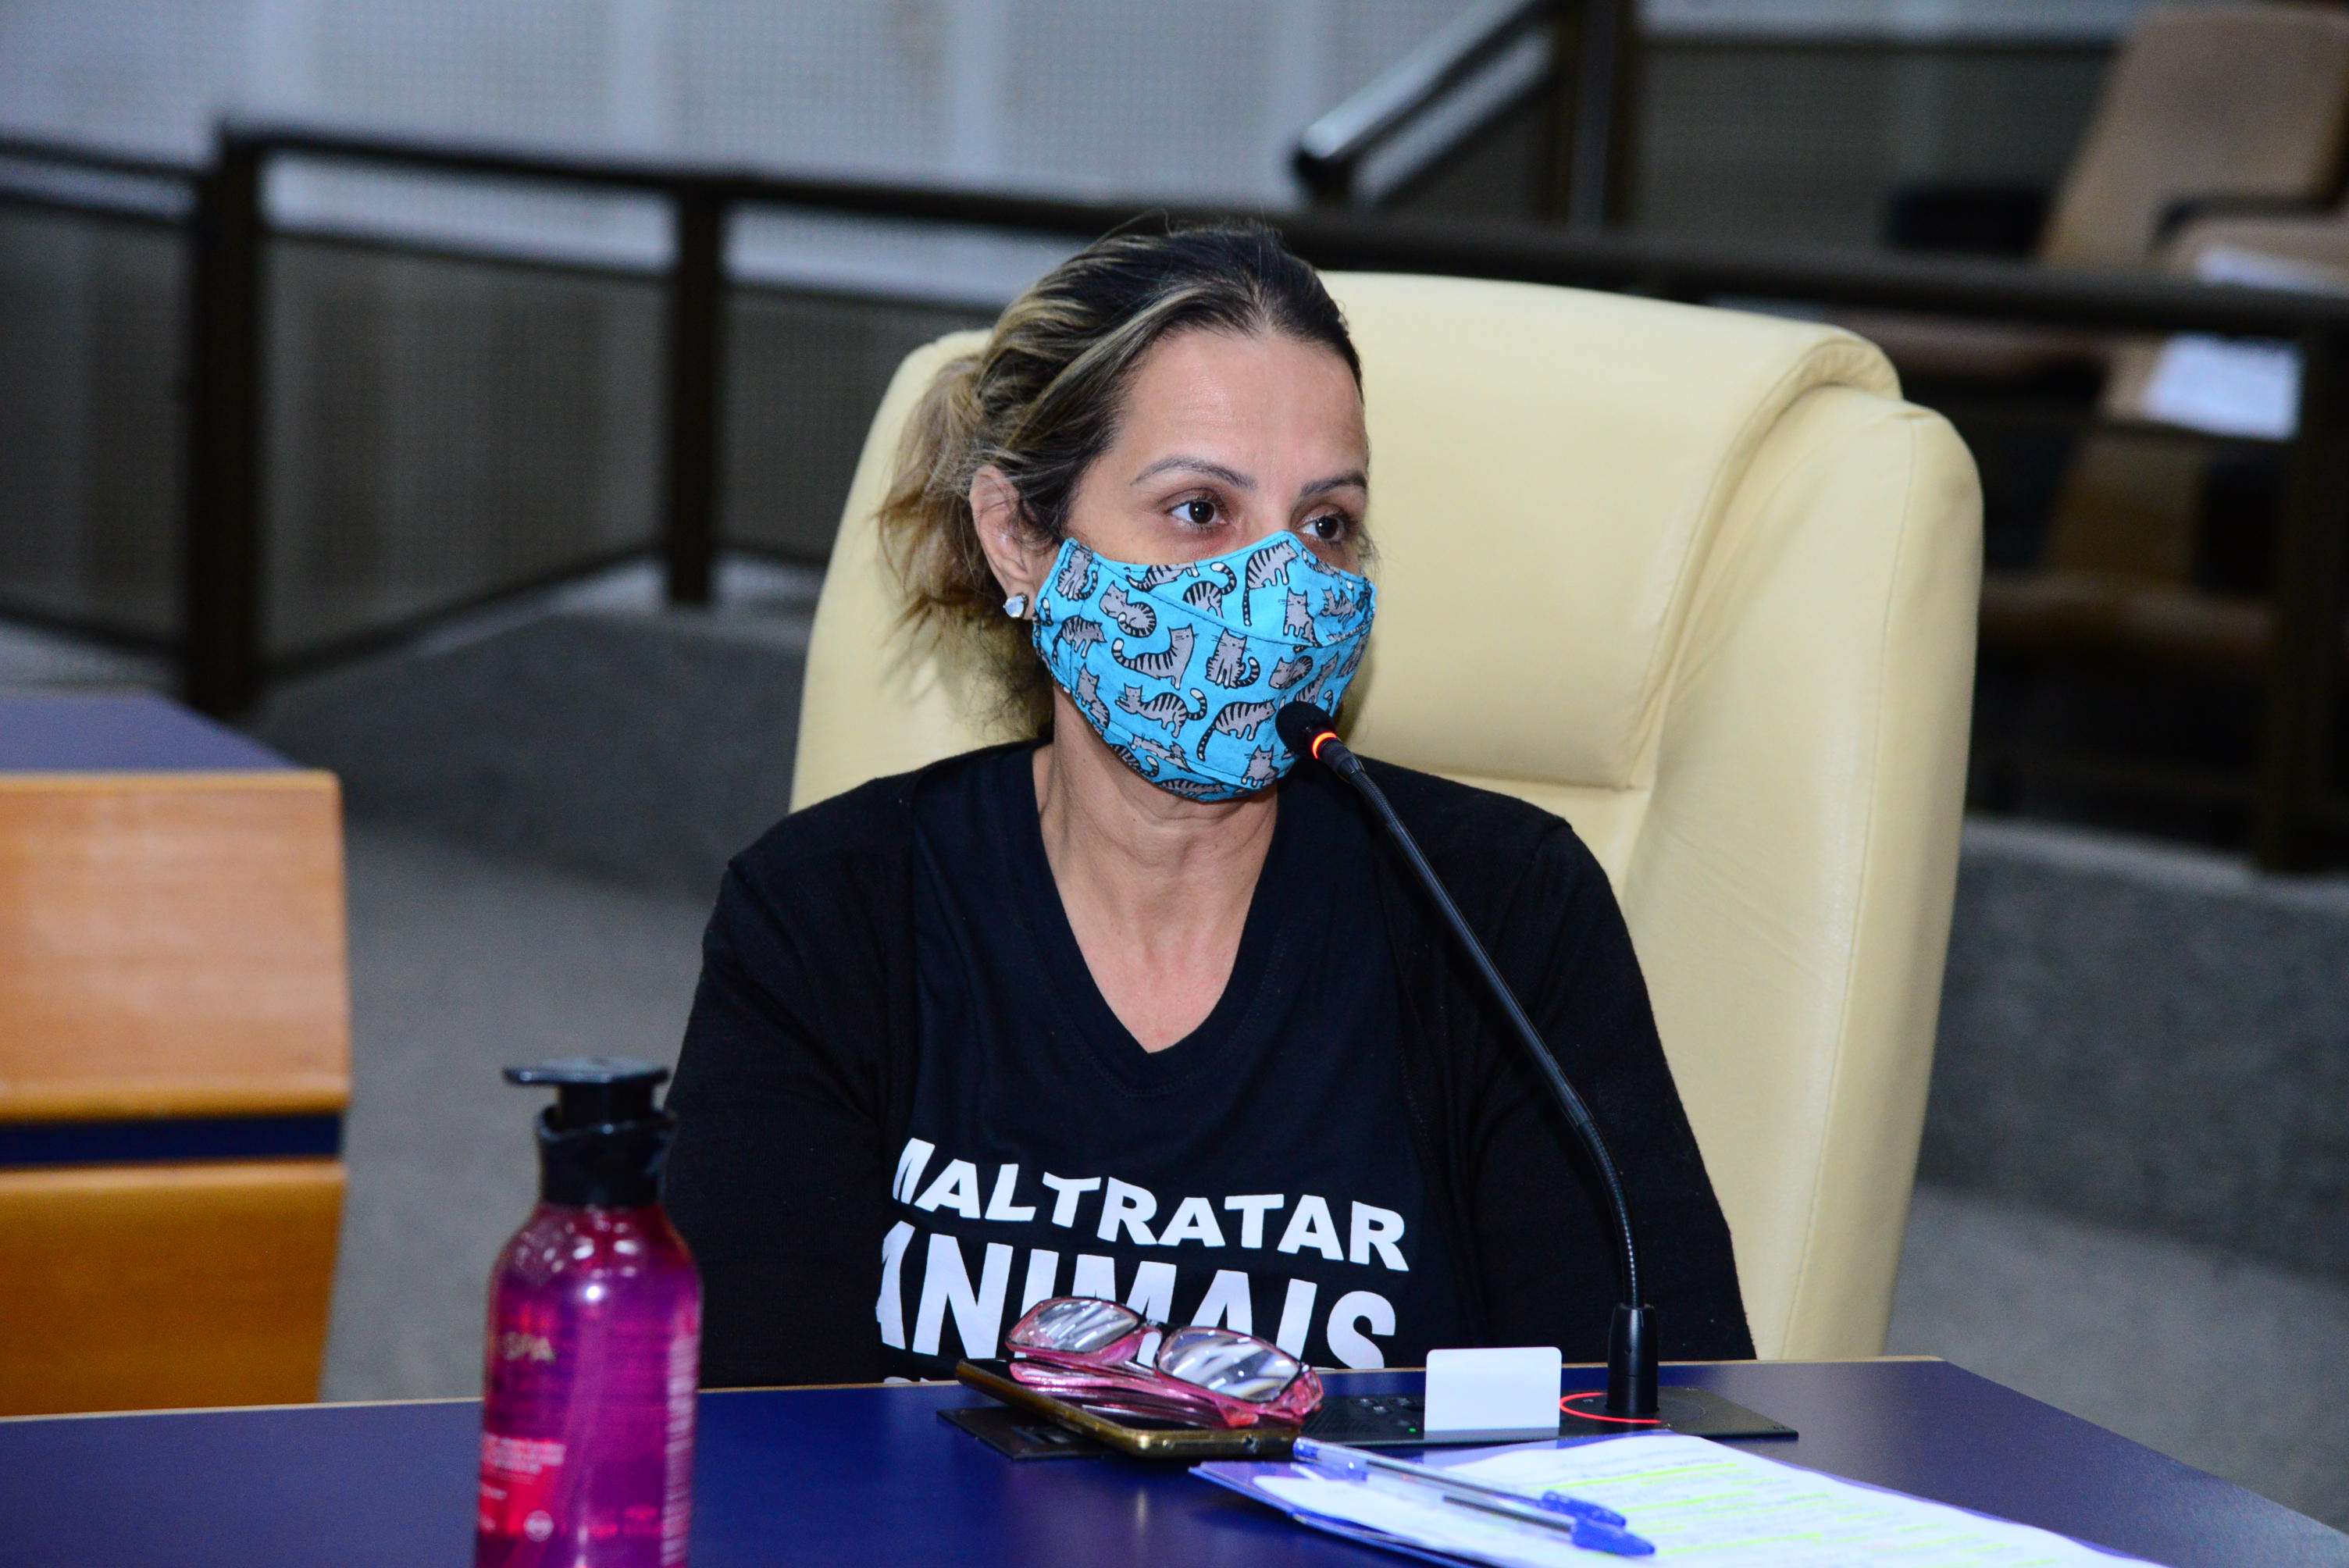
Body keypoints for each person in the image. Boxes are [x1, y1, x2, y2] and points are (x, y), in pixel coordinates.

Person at [664, 223, 1752, 1387]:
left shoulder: (1501, 912)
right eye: (1199, 511)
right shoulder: (825, 912)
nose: (1280, 590)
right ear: (1020, 537)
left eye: (1324, 525)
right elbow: (746, 1425)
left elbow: (1659, 1406)